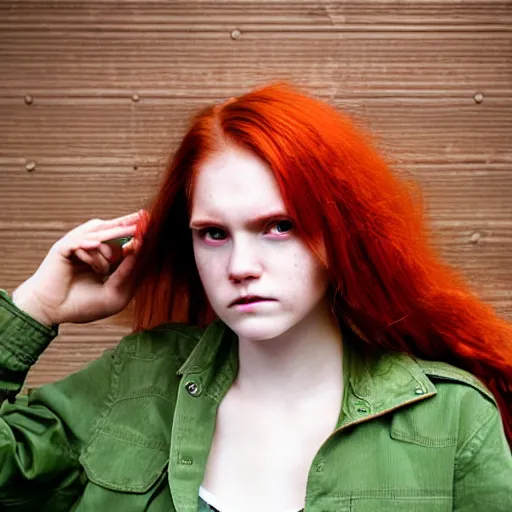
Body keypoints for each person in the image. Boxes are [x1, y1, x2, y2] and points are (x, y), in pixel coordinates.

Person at [0, 82, 510, 512]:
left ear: (339, 232)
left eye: (278, 226)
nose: (241, 267)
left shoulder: (453, 417)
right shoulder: (137, 380)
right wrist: (33, 309)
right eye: (214, 233)